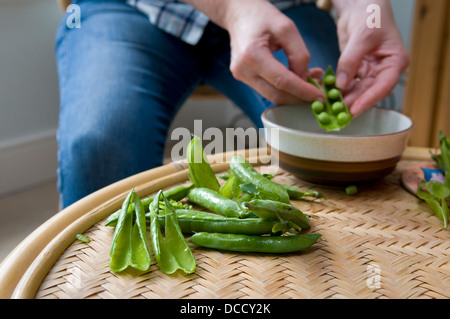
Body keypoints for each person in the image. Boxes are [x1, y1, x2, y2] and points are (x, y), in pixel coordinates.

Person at [55, 0, 409, 208]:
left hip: (283, 9)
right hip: (129, 8)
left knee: (338, 143)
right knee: (99, 144)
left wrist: (368, 6)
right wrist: (231, 8)